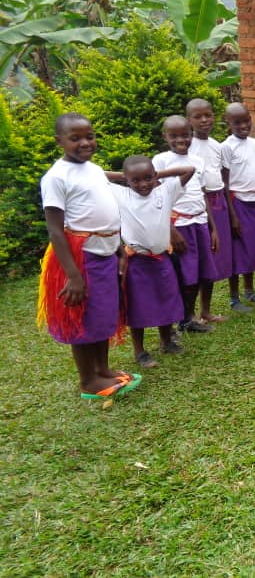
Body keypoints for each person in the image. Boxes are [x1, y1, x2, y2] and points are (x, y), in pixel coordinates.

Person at [37, 113, 140, 400]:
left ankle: (103, 369)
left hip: (106, 254)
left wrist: (119, 249)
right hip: (80, 259)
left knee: (102, 315)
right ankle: (87, 380)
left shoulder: (93, 169)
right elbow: (55, 230)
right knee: (81, 318)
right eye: (75, 138)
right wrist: (73, 276)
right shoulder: (56, 177)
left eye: (90, 136)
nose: (85, 143)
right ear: (59, 141)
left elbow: (106, 214)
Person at [108, 155, 194, 368]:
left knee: (166, 298)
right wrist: (124, 177)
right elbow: (96, 177)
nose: (143, 184)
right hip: (137, 261)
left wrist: (155, 175)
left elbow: (189, 170)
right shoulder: (121, 194)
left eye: (148, 178)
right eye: (136, 180)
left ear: (155, 176)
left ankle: (166, 341)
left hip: (162, 258)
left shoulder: (164, 191)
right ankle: (140, 351)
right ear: (127, 180)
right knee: (137, 305)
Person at [153, 115, 219, 334]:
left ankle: (192, 316)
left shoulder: (197, 160)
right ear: (165, 136)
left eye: (185, 135)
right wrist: (170, 230)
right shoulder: (161, 161)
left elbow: (202, 193)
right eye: (174, 136)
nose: (180, 140)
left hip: (199, 221)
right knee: (185, 274)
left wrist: (212, 228)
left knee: (201, 271)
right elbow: (156, 198)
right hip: (179, 224)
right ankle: (182, 319)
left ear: (191, 134)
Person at [221, 102, 255, 311]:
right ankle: (234, 298)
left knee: (252, 249)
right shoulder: (227, 147)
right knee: (237, 251)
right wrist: (232, 215)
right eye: (237, 122)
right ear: (228, 124)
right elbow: (224, 183)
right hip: (238, 204)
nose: (243, 126)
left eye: (246, 121)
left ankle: (250, 291)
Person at [187, 98, 230, 323]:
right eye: (198, 117)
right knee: (200, 258)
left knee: (213, 258)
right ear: (189, 120)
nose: (204, 120)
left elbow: (220, 176)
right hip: (199, 206)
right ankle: (190, 313)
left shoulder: (216, 145)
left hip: (218, 201)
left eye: (208, 115)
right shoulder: (187, 147)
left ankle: (206, 310)